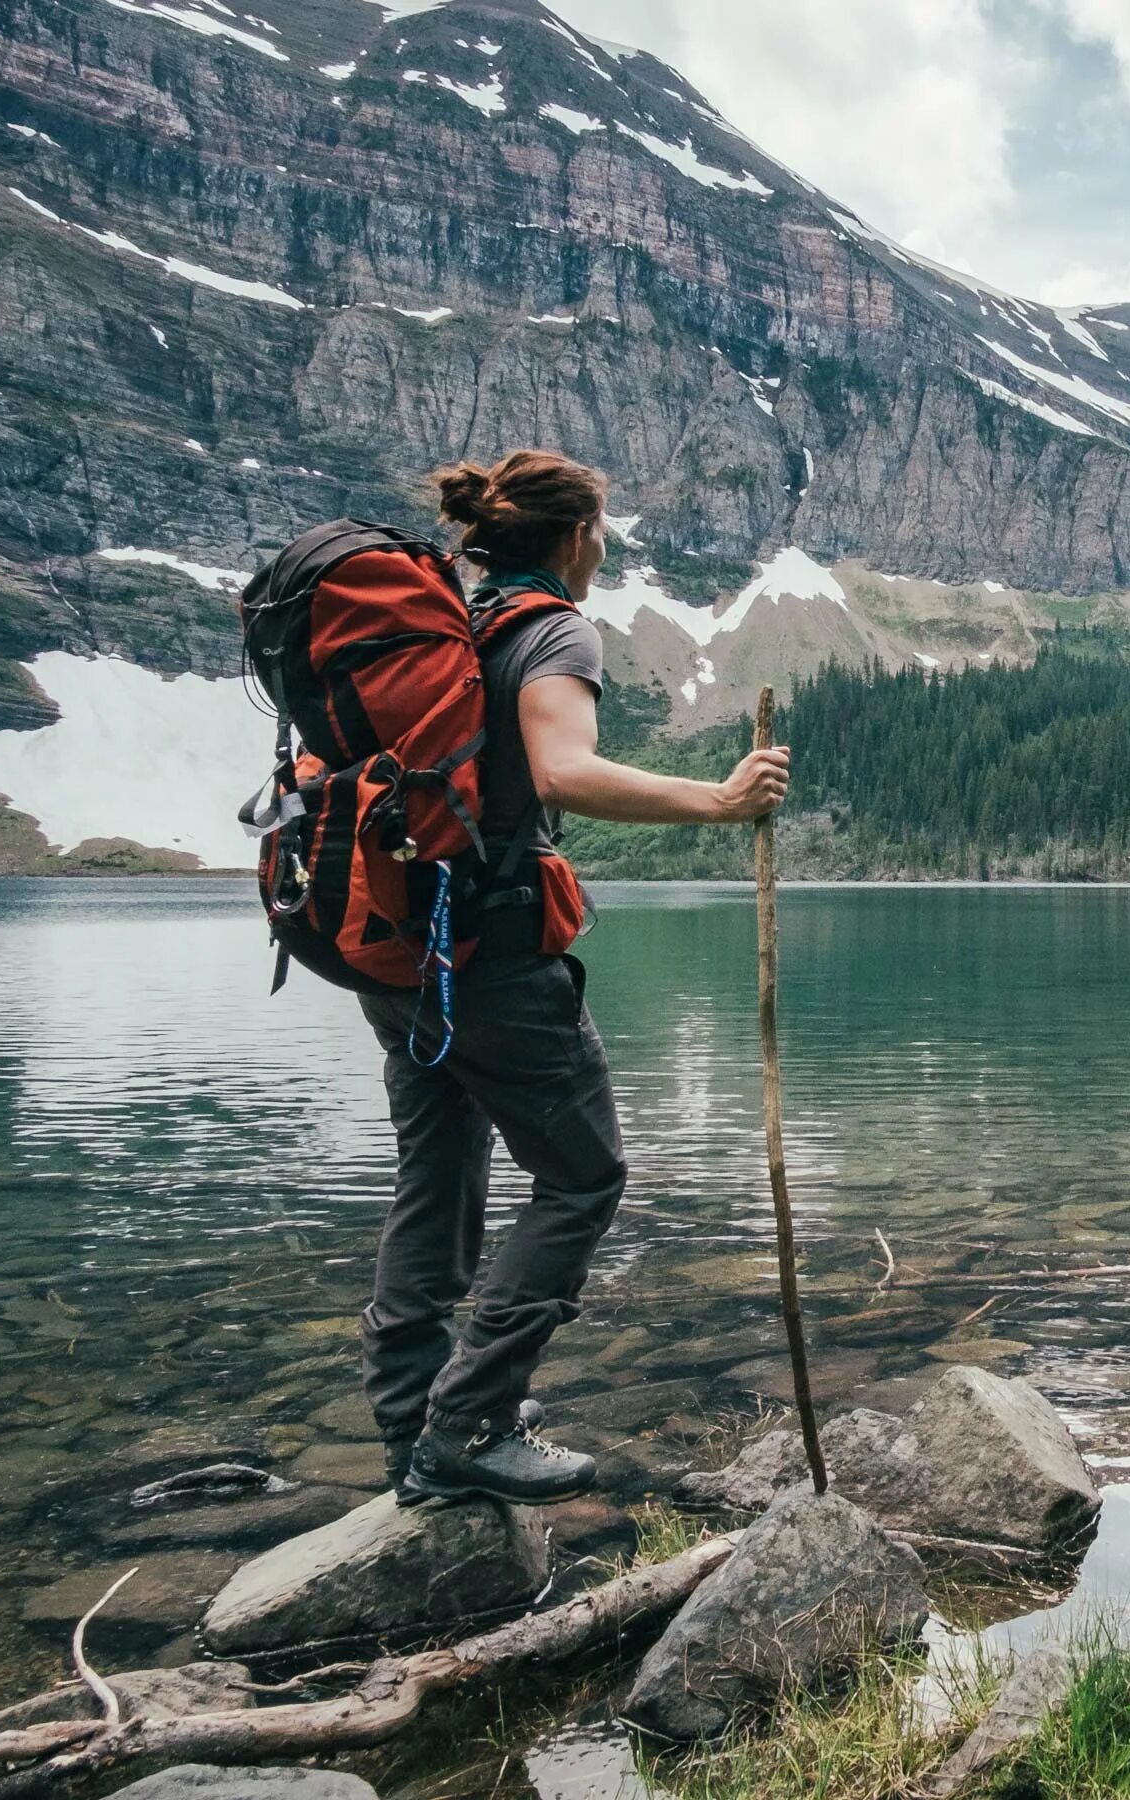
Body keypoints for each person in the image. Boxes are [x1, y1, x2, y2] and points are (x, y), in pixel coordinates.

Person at [366, 448, 790, 1507]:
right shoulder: (552, 627)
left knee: (437, 1180)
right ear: (573, 537)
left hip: (397, 949)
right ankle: (464, 1428)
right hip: (497, 961)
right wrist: (720, 802)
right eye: (600, 530)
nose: (604, 548)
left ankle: (414, 1418)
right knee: (583, 1177)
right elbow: (562, 771)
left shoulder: (447, 628)